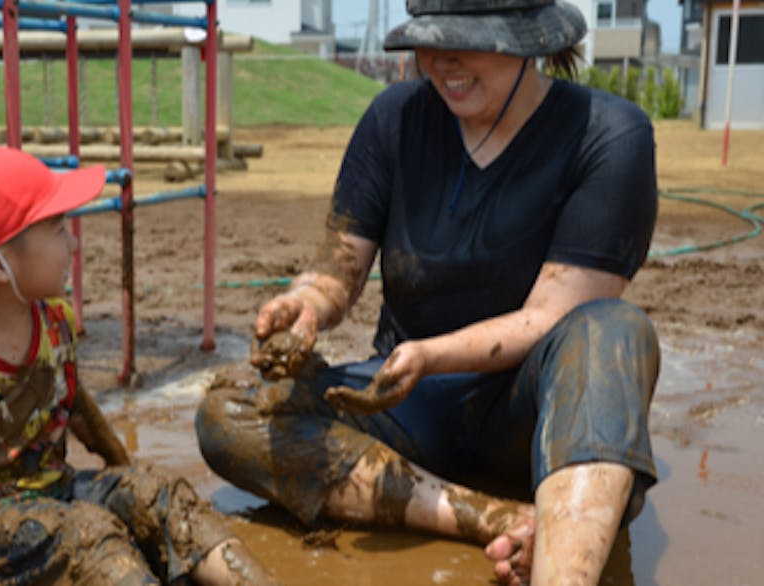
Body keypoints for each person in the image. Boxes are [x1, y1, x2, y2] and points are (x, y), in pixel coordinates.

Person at [195, 1, 659, 584]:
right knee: (230, 409)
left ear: (528, 40)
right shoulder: (394, 119)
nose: (444, 60)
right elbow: (338, 267)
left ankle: (563, 567)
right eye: (432, 41)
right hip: (406, 406)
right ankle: (494, 518)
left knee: (614, 330)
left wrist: (431, 354)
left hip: (532, 412)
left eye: (469, 40)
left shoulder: (608, 134)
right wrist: (306, 303)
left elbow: (553, 314)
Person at [0, 146, 276, 586]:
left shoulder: (55, 322)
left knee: (162, 495)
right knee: (92, 537)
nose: (73, 243)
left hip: (56, 491)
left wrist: (130, 479)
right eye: (59, 230)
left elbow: (74, 404)